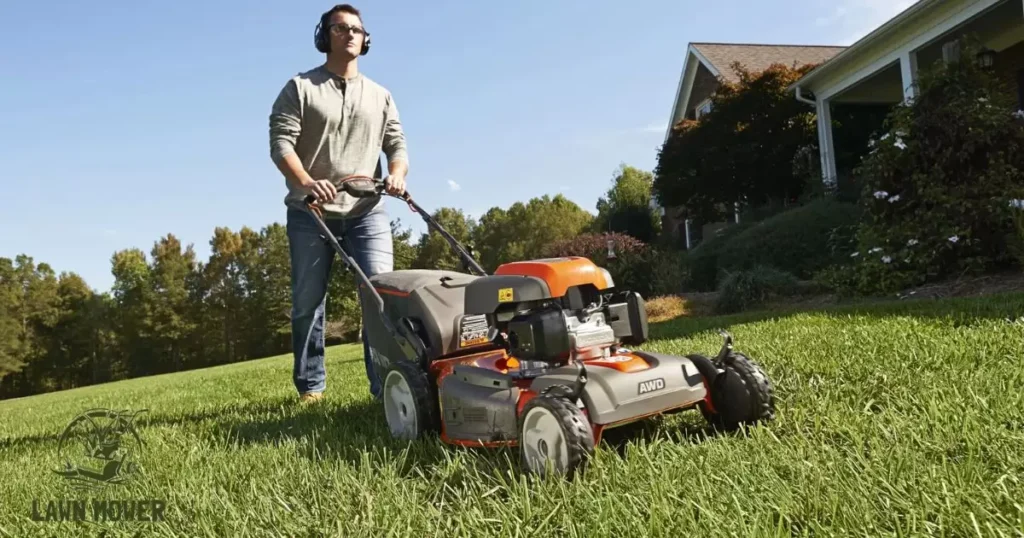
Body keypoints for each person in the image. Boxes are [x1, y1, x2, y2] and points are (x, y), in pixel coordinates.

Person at [269, 3, 409, 403]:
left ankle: (386, 387)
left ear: (366, 40)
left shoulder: (381, 96)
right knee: (307, 302)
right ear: (324, 36)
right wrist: (308, 182)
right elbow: (281, 144)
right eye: (340, 28)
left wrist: (397, 173)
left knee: (382, 297)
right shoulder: (300, 88)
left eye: (357, 29)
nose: (350, 34)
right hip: (310, 214)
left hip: (366, 212)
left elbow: (397, 144)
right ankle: (311, 387)